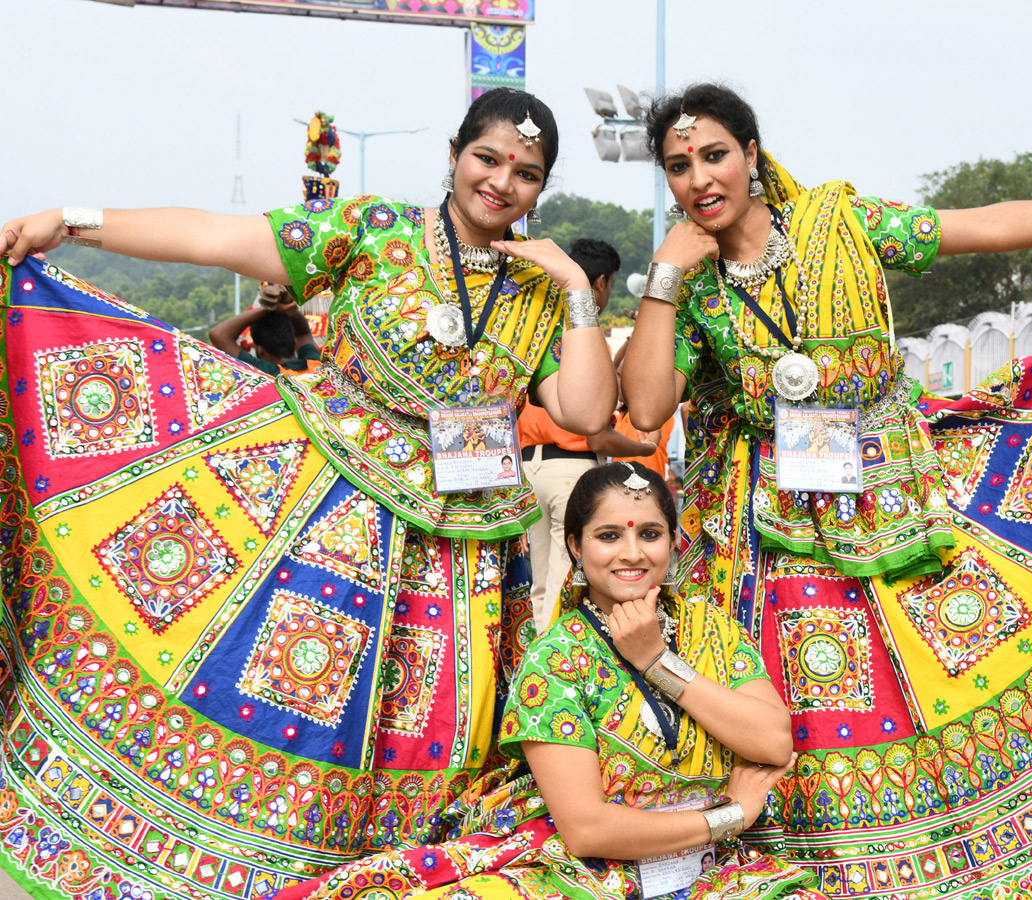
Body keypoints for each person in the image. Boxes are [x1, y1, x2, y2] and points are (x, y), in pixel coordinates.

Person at [0, 88, 617, 900]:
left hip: (465, 552)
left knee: (426, 726)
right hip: (337, 515)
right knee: (310, 694)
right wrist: (72, 221)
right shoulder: (374, 231)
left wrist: (574, 286)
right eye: (488, 158)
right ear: (456, 154)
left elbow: (586, 410)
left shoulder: (537, 290)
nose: (502, 183)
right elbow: (218, 239)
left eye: (527, 173)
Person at [621, 82, 1032, 900]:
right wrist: (665, 274)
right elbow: (645, 407)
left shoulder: (840, 224)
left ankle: (928, 860)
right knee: (795, 702)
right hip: (759, 528)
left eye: (713, 154)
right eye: (678, 166)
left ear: (753, 155)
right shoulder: (695, 286)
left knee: (913, 684)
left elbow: (988, 227)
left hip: (884, 498)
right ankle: (800, 867)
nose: (698, 178)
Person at [269, 462, 826, 900]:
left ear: (674, 544)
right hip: (589, 874)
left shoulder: (711, 627)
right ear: (576, 549)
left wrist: (658, 661)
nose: (632, 553)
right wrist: (728, 817)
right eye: (609, 536)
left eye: (651, 533)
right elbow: (587, 828)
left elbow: (773, 741)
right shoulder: (556, 657)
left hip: (715, 873)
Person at [519, 238, 659, 630]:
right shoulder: (584, 336)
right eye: (610, 284)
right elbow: (597, 436)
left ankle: (532, 662)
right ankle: (553, 669)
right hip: (572, 472)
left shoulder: (538, 330)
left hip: (528, 469)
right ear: (599, 284)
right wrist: (642, 447)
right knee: (568, 580)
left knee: (539, 585)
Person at [208, 280, 322, 376]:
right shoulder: (316, 366)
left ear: (261, 352)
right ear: (294, 343)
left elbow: (218, 335)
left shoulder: (269, 374)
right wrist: (287, 306)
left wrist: (267, 307)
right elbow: (303, 334)